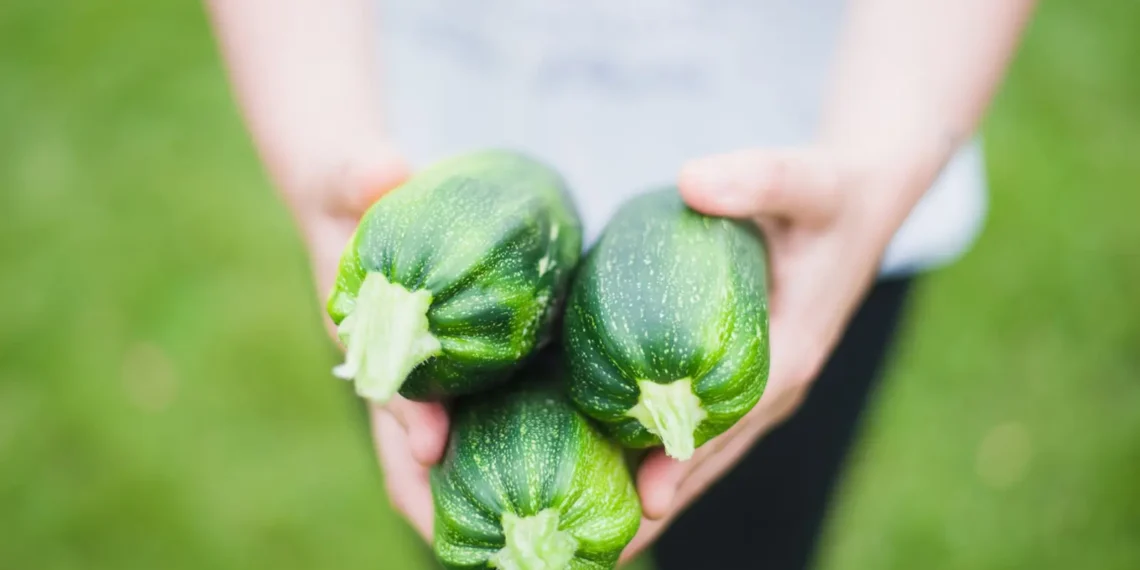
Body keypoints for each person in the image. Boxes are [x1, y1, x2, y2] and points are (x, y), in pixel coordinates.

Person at [205, 1, 1035, 567]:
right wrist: (319, 139)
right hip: (426, 176)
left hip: (818, 186)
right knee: (455, 495)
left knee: (754, 547)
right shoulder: (402, 269)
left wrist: (879, 167)